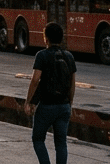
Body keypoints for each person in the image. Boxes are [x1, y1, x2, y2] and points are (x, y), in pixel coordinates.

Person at [25, 22, 75, 164]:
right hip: (64, 105)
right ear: (61, 38)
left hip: (46, 106)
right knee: (61, 143)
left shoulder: (42, 55)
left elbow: (35, 80)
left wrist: (28, 101)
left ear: (46, 38)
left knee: (38, 139)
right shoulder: (69, 56)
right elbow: (72, 83)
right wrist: (69, 103)